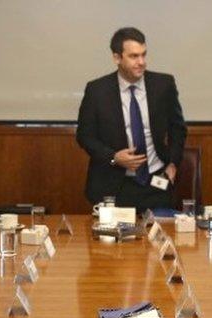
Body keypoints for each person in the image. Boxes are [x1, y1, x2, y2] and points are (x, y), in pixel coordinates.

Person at [76, 27, 187, 210]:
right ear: (117, 58)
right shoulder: (97, 91)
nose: (141, 62)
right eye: (134, 56)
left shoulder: (163, 85)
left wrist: (173, 163)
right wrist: (113, 157)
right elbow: (84, 136)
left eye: (144, 55)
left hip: (156, 182)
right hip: (114, 186)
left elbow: (178, 128)